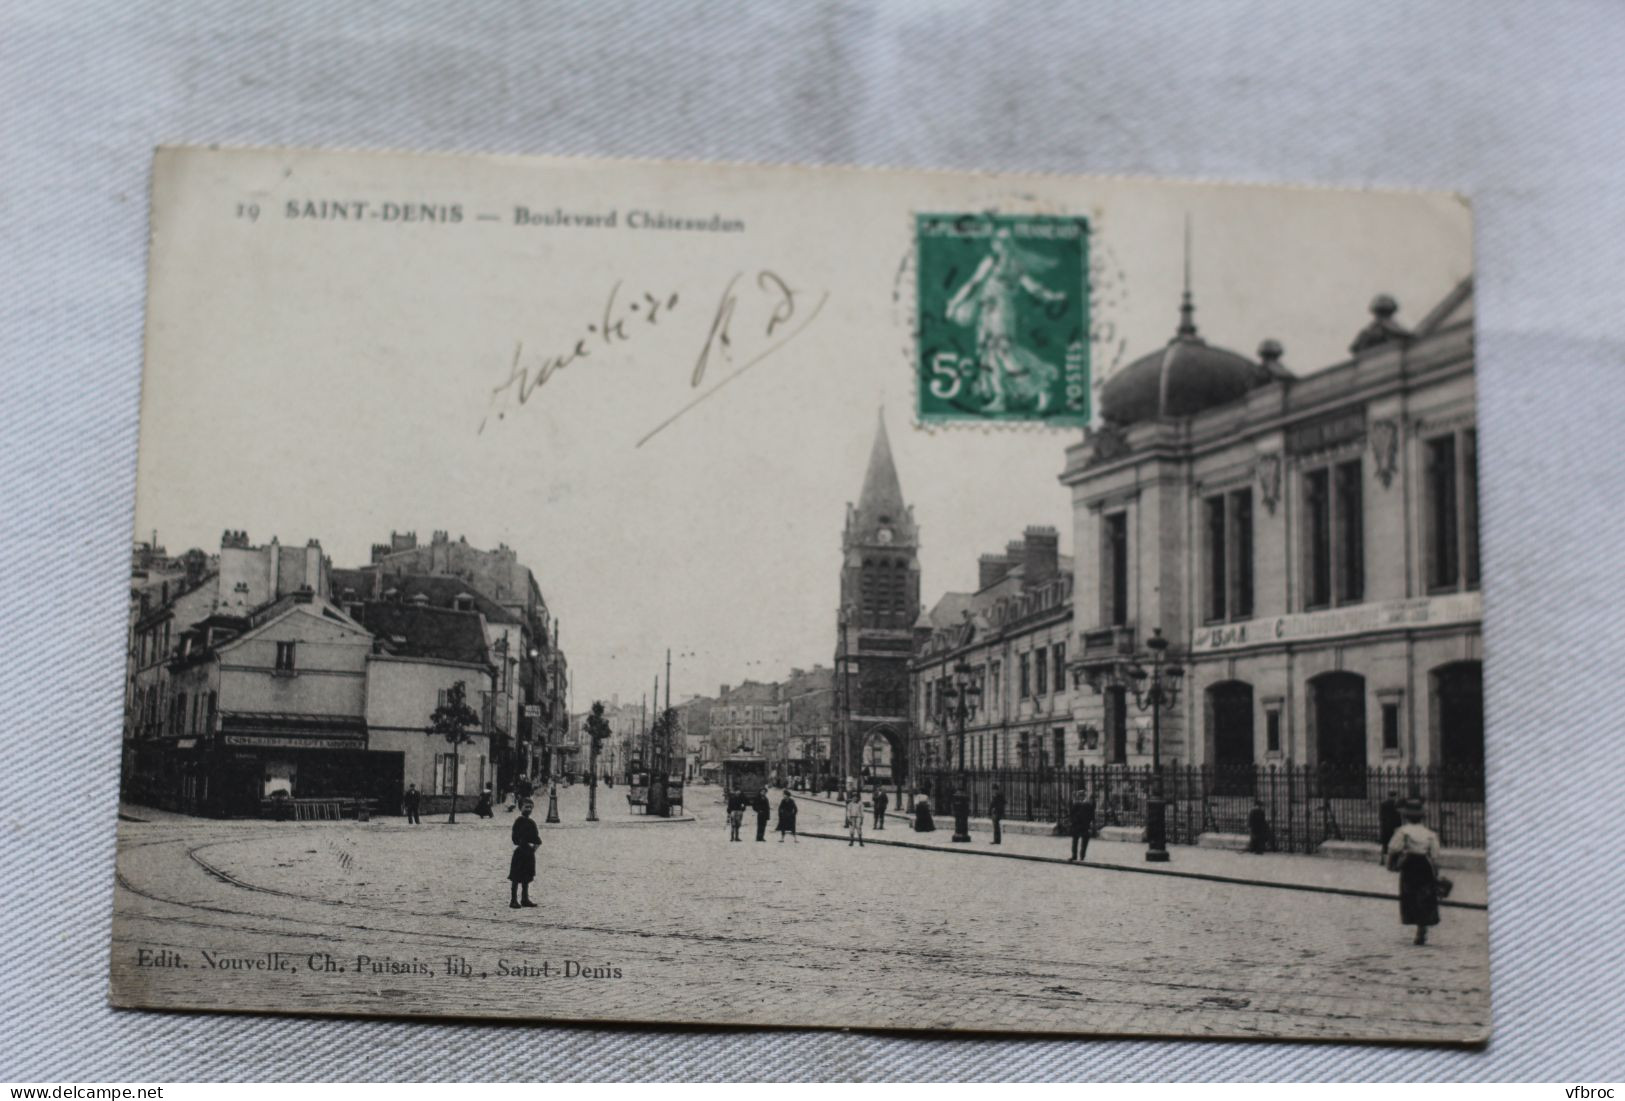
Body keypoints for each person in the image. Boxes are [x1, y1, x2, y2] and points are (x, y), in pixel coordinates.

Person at [1389, 797, 1442, 945]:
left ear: (1406, 816)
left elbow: (1394, 848)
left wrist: (1391, 864)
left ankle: (1416, 923)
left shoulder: (1403, 831)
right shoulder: (1430, 833)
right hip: (1424, 865)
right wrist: (1436, 871)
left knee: (1410, 894)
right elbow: (1435, 855)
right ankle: (1422, 927)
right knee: (1425, 896)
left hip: (1410, 864)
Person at [508, 800, 541, 909]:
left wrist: (533, 849)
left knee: (527, 876)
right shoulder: (518, 822)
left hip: (529, 854)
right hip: (520, 853)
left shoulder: (532, 823)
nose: (529, 810)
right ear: (520, 808)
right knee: (516, 877)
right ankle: (513, 900)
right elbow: (515, 838)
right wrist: (523, 845)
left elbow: (537, 839)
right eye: (526, 807)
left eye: (531, 807)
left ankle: (524, 898)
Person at [1068, 788, 1096, 862]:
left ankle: (1081, 856)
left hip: (1083, 825)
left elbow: (1091, 815)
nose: (1081, 797)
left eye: (1082, 796)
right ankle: (1076, 856)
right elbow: (1071, 814)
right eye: (1080, 796)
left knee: (1082, 841)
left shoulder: (1085, 804)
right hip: (1080, 824)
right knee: (1076, 841)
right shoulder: (1080, 804)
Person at [1378, 793, 1402, 866]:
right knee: (1394, 845)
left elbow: (1381, 816)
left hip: (1385, 827)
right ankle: (1393, 862)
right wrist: (1399, 826)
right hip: (1393, 827)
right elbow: (1398, 817)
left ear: (1388, 796)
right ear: (1394, 796)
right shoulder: (1396, 805)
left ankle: (1382, 860)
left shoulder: (1383, 804)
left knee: (1385, 845)